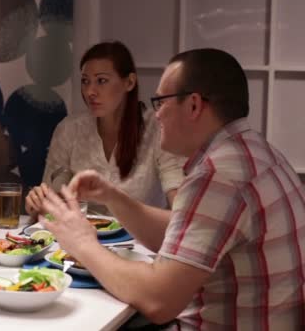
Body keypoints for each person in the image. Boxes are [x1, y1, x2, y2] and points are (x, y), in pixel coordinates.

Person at [40, 48, 305, 329]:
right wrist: (112, 196)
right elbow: (184, 231)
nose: (157, 115)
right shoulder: (259, 152)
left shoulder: (218, 176)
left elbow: (158, 302)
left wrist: (82, 243)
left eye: (161, 102)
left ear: (193, 105)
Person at [25, 41, 184, 218]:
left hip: (141, 242)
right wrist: (39, 203)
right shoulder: (70, 129)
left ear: (129, 82)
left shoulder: (158, 129)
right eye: (85, 81)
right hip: (84, 237)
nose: (90, 91)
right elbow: (54, 199)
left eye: (101, 81)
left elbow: (178, 200)